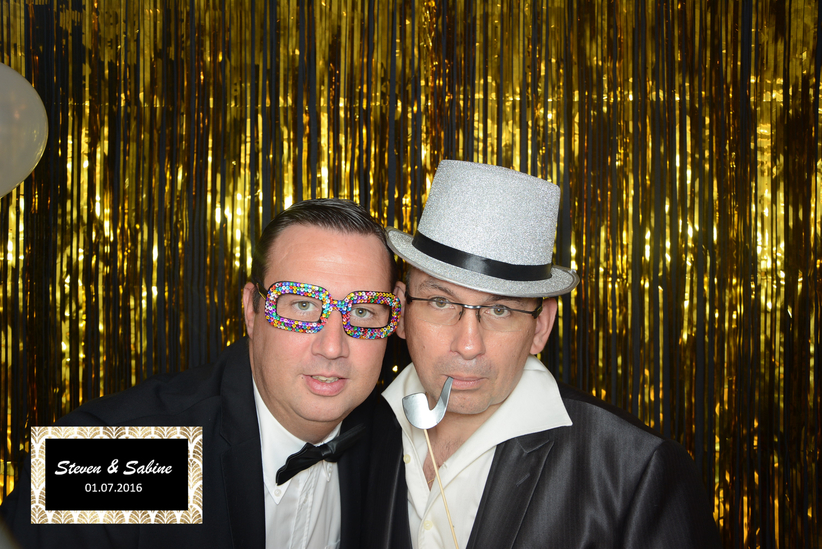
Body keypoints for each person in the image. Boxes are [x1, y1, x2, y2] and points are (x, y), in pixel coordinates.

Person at [0, 198, 401, 549]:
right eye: (302, 305)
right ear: (251, 310)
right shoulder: (121, 453)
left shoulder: (393, 440)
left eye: (362, 311)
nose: (332, 347)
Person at [362, 160, 721, 548]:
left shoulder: (637, 471)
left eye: (500, 310)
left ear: (541, 327)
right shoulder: (354, 433)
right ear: (400, 312)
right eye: (440, 302)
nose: (468, 345)